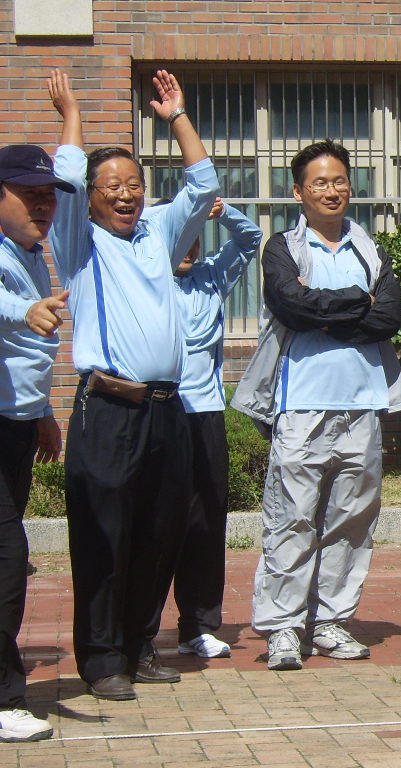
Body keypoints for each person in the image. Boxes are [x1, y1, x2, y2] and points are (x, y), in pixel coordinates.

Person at [49, 68, 220, 701]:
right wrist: (72, 117)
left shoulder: (157, 235)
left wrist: (177, 117)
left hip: (168, 411)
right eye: (112, 187)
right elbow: (66, 181)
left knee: (159, 532)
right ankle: (100, 659)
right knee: (104, 537)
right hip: (108, 409)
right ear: (93, 197)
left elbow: (204, 185)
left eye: (134, 186)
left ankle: (139, 646)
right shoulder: (79, 241)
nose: (125, 196)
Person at [237, 139, 401, 671]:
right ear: (299, 192)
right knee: (291, 518)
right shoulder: (283, 248)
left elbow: (389, 317)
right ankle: (284, 628)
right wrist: (358, 302)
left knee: (352, 521)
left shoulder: (369, 249)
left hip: (363, 404)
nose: (331, 191)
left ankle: (332, 620)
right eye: (319, 183)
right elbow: (291, 305)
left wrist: (326, 314)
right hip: (300, 405)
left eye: (339, 181)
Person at [165, 198, 262, 658]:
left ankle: (198, 625)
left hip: (204, 414)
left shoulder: (211, 277)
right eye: (180, 236)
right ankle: (137, 629)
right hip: (157, 412)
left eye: (195, 238)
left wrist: (222, 213)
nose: (189, 247)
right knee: (154, 521)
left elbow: (251, 239)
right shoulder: (144, 281)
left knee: (205, 522)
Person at [0, 144, 74, 742]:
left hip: (16, 426)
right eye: (29, 195)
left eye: (48, 196)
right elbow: (15, 315)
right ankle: (5, 697)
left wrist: (44, 410)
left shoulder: (31, 254)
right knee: (7, 558)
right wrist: (24, 309)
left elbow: (24, 355)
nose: (43, 206)